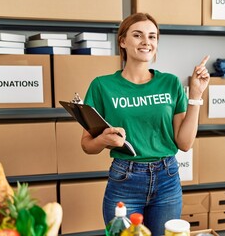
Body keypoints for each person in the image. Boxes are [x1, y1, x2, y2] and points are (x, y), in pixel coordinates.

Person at [81, 12, 210, 236]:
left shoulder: (170, 83)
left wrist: (196, 95)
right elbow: (86, 145)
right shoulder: (102, 86)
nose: (146, 42)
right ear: (122, 41)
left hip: (167, 178)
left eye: (152, 36)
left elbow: (185, 143)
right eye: (138, 35)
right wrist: (103, 139)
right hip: (124, 179)